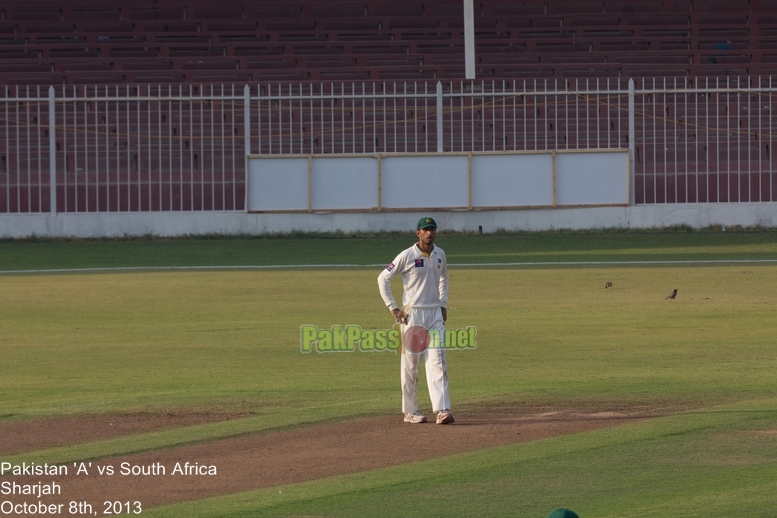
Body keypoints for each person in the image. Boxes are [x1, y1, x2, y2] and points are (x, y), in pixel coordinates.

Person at [377, 216, 453, 425]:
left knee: (438, 361)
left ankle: (442, 410)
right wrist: (393, 308)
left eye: (432, 229)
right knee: (411, 365)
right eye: (425, 230)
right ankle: (410, 411)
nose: (429, 233)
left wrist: (443, 304)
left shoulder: (440, 254)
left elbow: (444, 278)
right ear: (417, 233)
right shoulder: (407, 255)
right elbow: (383, 278)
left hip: (434, 314)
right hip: (413, 315)